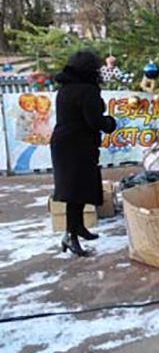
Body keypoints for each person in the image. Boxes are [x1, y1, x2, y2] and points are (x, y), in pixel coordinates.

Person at [51, 50, 117, 257]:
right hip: (77, 145)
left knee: (75, 189)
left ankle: (78, 227)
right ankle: (71, 236)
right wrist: (110, 123)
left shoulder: (65, 88)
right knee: (76, 191)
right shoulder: (87, 90)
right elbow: (95, 121)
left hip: (65, 143)